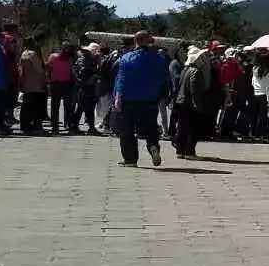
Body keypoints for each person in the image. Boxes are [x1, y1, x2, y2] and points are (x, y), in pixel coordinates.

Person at [112, 31, 169, 167]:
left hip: (129, 100)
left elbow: (121, 78)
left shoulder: (126, 58)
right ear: (149, 41)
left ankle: (130, 159)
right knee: (150, 128)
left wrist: (118, 96)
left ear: (135, 41)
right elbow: (164, 79)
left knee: (127, 131)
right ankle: (153, 146)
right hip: (150, 99)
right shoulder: (158, 58)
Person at [172, 46, 210, 160]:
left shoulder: (185, 69)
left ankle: (180, 150)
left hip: (182, 101)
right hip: (191, 103)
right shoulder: (195, 71)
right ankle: (189, 151)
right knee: (193, 128)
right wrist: (196, 104)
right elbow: (194, 89)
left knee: (182, 127)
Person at [17, 37, 47, 134]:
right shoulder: (33, 55)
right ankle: (37, 127)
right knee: (37, 106)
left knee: (26, 106)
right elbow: (39, 70)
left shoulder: (23, 54)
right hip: (36, 84)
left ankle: (25, 126)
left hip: (27, 84)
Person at [72, 43, 102, 134]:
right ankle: (76, 126)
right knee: (83, 107)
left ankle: (89, 127)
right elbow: (85, 73)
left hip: (86, 87)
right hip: (87, 87)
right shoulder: (87, 61)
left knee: (86, 108)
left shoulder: (86, 60)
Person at [47, 42, 77, 134]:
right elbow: (71, 72)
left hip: (56, 83)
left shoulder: (53, 57)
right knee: (67, 105)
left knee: (55, 105)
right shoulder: (69, 59)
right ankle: (67, 124)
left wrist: (49, 80)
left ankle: (55, 125)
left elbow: (48, 69)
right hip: (65, 83)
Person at [248, 52, 269, 139]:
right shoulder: (268, 72)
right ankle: (260, 134)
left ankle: (253, 133)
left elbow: (252, 82)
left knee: (254, 115)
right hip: (264, 95)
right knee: (262, 116)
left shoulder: (254, 69)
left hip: (254, 94)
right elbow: (268, 87)